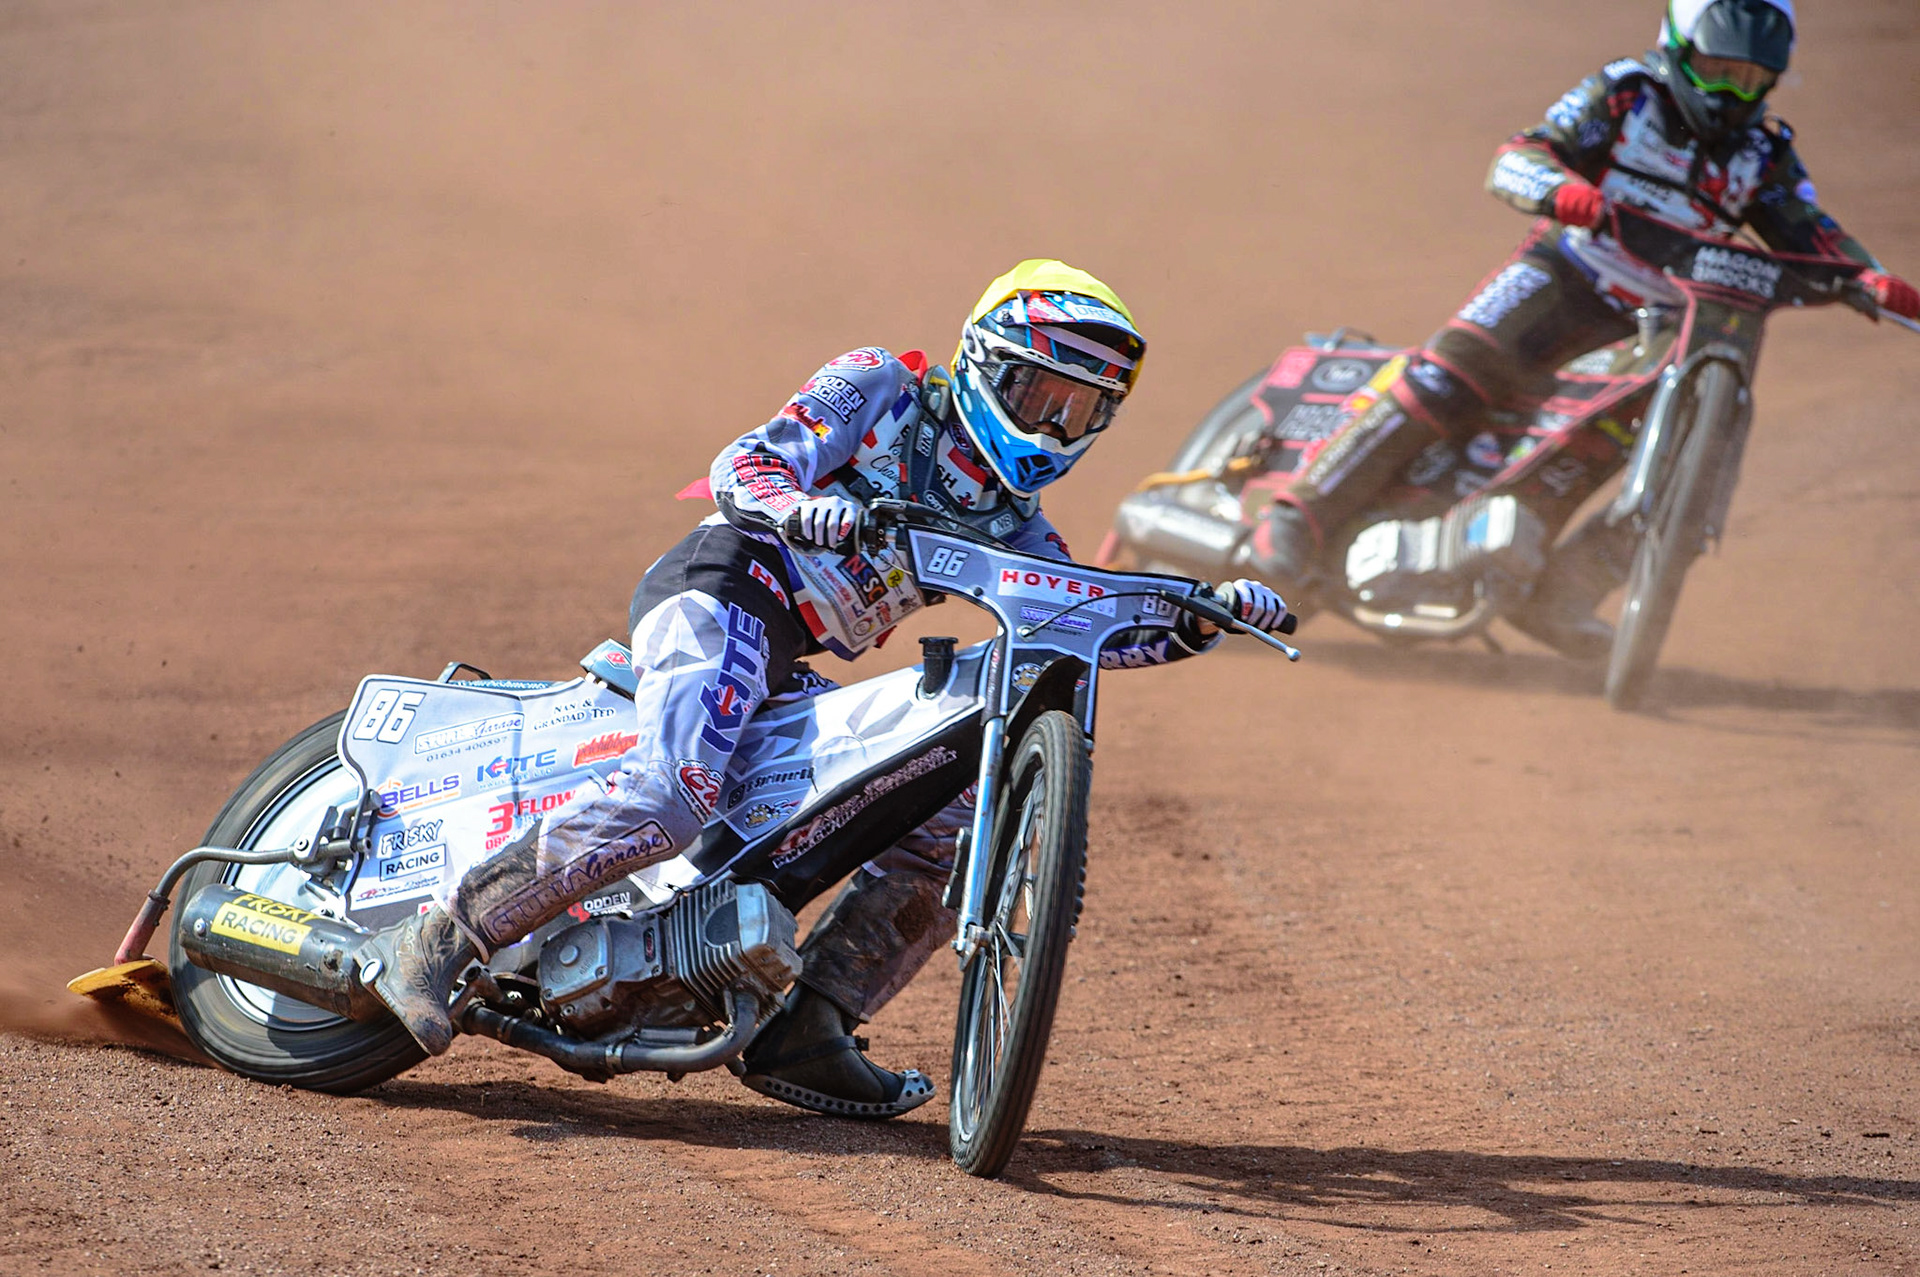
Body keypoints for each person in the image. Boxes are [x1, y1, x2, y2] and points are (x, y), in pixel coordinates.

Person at [354, 259, 1291, 1117]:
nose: (1053, 427)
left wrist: (1202, 617)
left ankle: (811, 1024)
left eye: (1081, 413)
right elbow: (744, 465)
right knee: (672, 799)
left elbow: (1083, 624)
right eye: (1041, 396)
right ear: (985, 365)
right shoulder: (883, 386)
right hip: (725, 589)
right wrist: (804, 506)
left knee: (947, 832)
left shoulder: (1020, 528)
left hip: (791, 664)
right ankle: (439, 939)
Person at [1245, 0, 1919, 658]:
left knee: (1674, 444)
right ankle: (1298, 515)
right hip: (1567, 271)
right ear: (1679, 49)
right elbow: (1521, 154)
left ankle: (1560, 594)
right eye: (1716, 69)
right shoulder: (1627, 97)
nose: (1729, 92)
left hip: (1666, 314)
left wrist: (1869, 279)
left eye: (1748, 78)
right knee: (1446, 373)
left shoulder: (1763, 155)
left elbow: (1816, 237)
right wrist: (1558, 187)